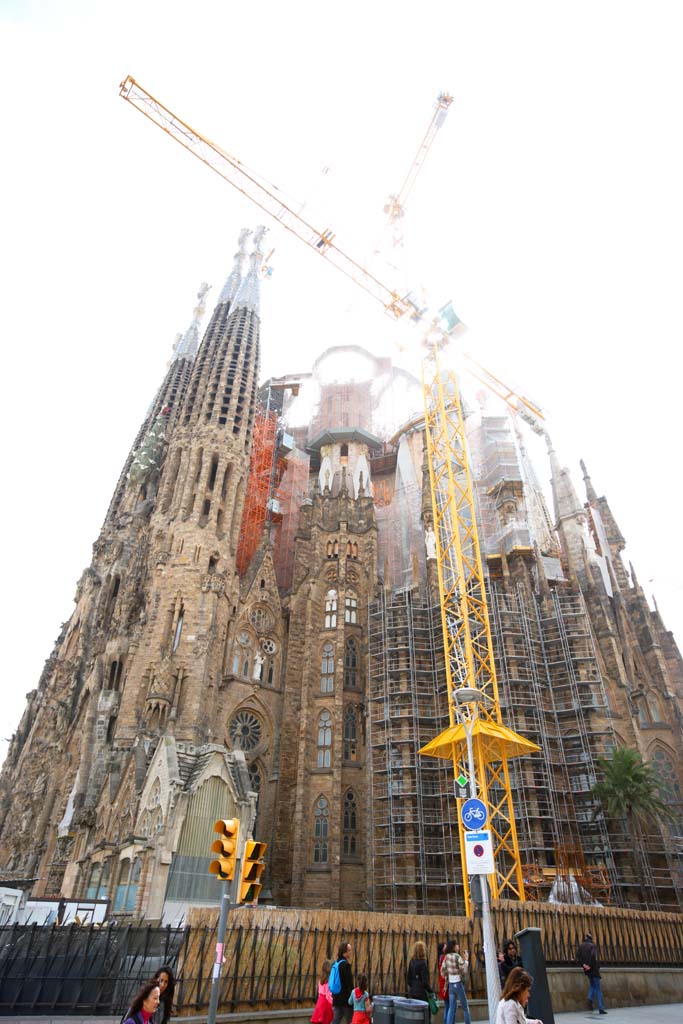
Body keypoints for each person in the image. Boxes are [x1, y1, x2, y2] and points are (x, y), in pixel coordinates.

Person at [440, 939, 471, 1024]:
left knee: (451, 1008)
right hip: (458, 983)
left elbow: (442, 971)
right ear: (454, 947)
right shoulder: (457, 956)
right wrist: (467, 960)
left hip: (451, 984)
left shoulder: (446, 957)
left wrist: (448, 975)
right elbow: (464, 970)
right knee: (465, 1007)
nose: (458, 946)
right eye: (457, 945)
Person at [577, 933, 607, 1014]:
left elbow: (578, 957)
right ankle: (601, 1008)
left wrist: (584, 965)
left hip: (587, 970)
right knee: (598, 988)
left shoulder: (581, 946)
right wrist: (589, 965)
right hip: (593, 969)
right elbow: (593, 956)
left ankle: (590, 998)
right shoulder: (592, 946)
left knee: (592, 985)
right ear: (591, 938)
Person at [332, 941, 354, 1024]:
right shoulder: (346, 965)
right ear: (344, 952)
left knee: (336, 1020)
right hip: (346, 1000)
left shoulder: (336, 963)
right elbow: (349, 984)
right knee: (351, 1020)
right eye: (349, 950)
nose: (350, 952)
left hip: (337, 997)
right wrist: (352, 999)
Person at [312, 958, 334, 1024]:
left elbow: (319, 993)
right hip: (326, 1004)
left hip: (320, 1003)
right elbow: (328, 995)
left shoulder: (320, 980)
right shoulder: (330, 981)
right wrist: (333, 1004)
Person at [437, 942, 449, 1018]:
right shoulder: (444, 957)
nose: (446, 947)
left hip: (442, 981)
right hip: (446, 982)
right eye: (445, 946)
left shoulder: (440, 957)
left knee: (447, 1005)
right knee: (449, 1006)